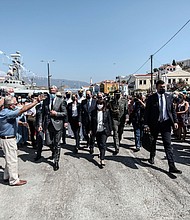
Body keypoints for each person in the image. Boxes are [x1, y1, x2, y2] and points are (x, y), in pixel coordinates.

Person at [0, 95, 41, 186]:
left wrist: (21, 123)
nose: (16, 105)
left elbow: (13, 118)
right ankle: (14, 180)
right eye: (15, 104)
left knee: (9, 159)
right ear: (10, 105)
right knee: (12, 160)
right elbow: (23, 109)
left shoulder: (6, 112)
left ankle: (7, 176)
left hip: (8, 139)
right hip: (8, 139)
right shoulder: (6, 113)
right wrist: (36, 101)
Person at [144, 80, 182, 174]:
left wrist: (175, 121)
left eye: (164, 87)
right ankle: (152, 156)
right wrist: (146, 124)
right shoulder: (151, 98)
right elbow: (147, 112)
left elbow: (172, 110)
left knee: (168, 144)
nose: (163, 88)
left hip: (166, 124)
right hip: (155, 124)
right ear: (157, 87)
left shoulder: (169, 97)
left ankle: (172, 166)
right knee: (153, 141)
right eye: (161, 87)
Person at [38, 86, 67, 171]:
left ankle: (56, 162)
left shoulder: (61, 100)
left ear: (56, 92)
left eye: (54, 91)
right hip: (48, 124)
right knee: (48, 142)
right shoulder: (46, 101)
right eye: (51, 91)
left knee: (57, 143)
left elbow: (65, 113)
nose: (52, 93)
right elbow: (42, 113)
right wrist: (40, 124)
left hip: (58, 124)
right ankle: (54, 152)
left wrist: (56, 113)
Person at [91, 99, 112, 167]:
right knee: (99, 144)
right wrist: (90, 130)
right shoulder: (93, 112)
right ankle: (101, 153)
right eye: (98, 104)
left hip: (104, 130)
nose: (99, 105)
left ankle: (102, 159)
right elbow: (91, 122)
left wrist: (110, 130)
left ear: (103, 105)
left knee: (103, 144)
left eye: (101, 104)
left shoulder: (107, 112)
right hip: (96, 130)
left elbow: (109, 121)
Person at [108, 90, 128, 155]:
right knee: (115, 133)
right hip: (115, 119)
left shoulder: (124, 101)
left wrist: (127, 118)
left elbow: (126, 111)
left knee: (120, 132)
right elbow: (109, 111)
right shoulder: (111, 102)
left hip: (121, 119)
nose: (117, 95)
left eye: (118, 94)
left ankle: (118, 141)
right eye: (116, 94)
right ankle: (117, 148)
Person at [81, 90, 97, 154]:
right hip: (85, 120)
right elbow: (80, 111)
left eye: (88, 94)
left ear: (91, 94)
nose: (87, 95)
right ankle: (88, 141)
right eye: (86, 94)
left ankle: (91, 146)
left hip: (93, 121)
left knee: (92, 135)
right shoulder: (83, 102)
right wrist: (80, 120)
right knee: (85, 134)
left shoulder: (95, 102)